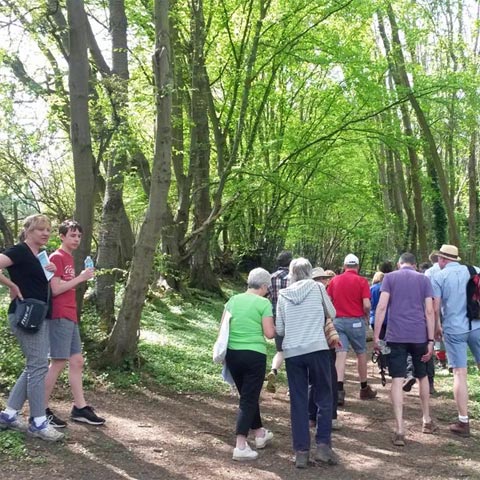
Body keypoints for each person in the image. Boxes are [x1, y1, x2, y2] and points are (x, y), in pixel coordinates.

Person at [0, 214, 63, 441]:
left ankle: (7, 415)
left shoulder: (39, 255)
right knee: (38, 367)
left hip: (40, 316)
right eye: (40, 229)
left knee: (34, 366)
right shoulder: (19, 251)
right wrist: (11, 284)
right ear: (28, 231)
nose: (46, 233)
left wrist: (49, 270)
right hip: (25, 316)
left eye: (48, 229)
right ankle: (38, 422)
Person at [276, 258, 339, 469]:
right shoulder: (317, 287)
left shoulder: (283, 294)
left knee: (298, 401)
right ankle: (323, 447)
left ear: (291, 273)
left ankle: (301, 452)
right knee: (324, 396)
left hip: (293, 352)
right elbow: (332, 312)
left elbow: (280, 329)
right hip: (317, 348)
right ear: (310, 272)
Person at [43, 220, 105, 427]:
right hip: (59, 315)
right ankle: (40, 410)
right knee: (58, 362)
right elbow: (56, 289)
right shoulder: (57, 257)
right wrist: (81, 278)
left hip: (71, 315)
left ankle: (80, 408)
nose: (76, 239)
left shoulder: (69, 258)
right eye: (72, 235)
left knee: (77, 360)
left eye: (79, 236)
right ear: (61, 236)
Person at [374, 253, 436, 447]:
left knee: (397, 379)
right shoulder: (424, 279)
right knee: (423, 376)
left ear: (399, 264)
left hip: (396, 335)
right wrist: (431, 339)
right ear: (415, 264)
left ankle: (400, 429)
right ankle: (426, 419)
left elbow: (382, 307)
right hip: (419, 335)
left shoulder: (389, 278)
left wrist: (376, 336)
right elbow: (429, 311)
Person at [224, 267, 275, 461]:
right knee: (248, 398)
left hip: (233, 354)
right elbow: (269, 333)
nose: (268, 291)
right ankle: (240, 445)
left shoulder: (233, 300)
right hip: (254, 355)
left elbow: (223, 326)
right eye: (267, 288)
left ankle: (260, 433)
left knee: (248, 395)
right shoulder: (263, 303)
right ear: (263, 286)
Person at [432, 245, 480, 437]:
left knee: (460, 373)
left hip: (454, 329)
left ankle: (463, 421)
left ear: (443, 259)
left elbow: (435, 307)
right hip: (477, 326)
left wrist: (436, 326)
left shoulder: (440, 277)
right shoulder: (475, 270)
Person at [327, 254, 377, 405]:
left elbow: (329, 301)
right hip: (356, 321)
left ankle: (339, 391)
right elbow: (367, 304)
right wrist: (366, 315)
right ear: (357, 266)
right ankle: (363, 388)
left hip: (338, 322)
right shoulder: (362, 281)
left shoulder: (334, 280)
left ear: (344, 266)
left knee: (340, 355)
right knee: (361, 353)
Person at [310, 267, 342, 430]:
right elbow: (332, 313)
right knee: (329, 378)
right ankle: (330, 417)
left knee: (312, 380)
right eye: (321, 278)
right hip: (323, 342)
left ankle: (311, 416)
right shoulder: (320, 293)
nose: (324, 281)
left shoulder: (303, 295)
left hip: (309, 343)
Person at [265, 250, 292, 393]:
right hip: (294, 319)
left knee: (280, 350)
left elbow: (266, 297)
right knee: (293, 352)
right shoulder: (294, 278)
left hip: (277, 319)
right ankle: (291, 387)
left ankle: (274, 370)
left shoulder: (271, 277)